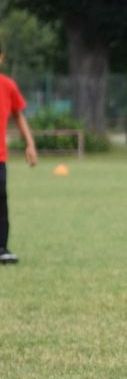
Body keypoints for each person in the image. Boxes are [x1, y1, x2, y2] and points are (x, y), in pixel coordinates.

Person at [0, 41, 39, 265]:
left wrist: (30, 144)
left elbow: (18, 115)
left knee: (0, 199)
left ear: (1, 58)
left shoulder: (7, 86)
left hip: (0, 157)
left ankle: (2, 248)